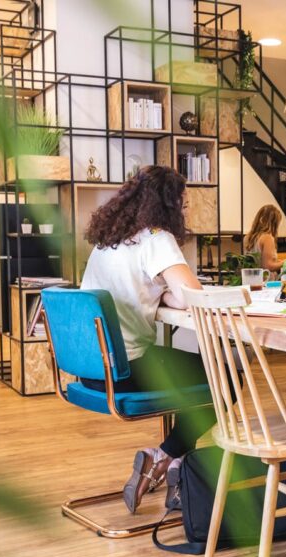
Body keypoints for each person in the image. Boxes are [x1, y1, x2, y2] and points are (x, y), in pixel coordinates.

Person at [79, 165, 211, 514]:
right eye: (181, 203)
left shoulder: (109, 240)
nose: (184, 211)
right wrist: (171, 293)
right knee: (224, 378)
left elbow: (147, 293)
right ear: (167, 204)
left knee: (194, 375)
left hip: (90, 369)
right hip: (126, 370)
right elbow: (192, 297)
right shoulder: (156, 238)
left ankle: (178, 472)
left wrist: (163, 294)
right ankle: (163, 458)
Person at [244, 204, 286, 273]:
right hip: (266, 281)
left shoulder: (247, 237)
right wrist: (285, 262)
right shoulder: (267, 238)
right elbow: (268, 266)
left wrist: (278, 261)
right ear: (274, 223)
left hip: (252, 278)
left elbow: (260, 260)